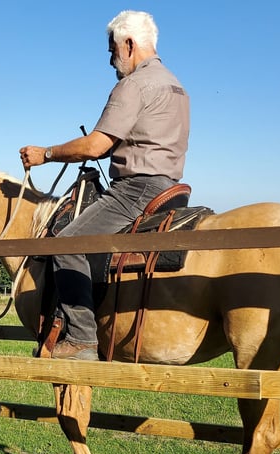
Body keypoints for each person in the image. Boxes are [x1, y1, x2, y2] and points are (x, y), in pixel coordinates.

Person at [19, 10, 189, 361]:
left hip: (136, 190)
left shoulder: (134, 84)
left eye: (112, 50)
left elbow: (96, 145)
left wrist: (46, 154)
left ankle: (82, 338)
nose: (111, 60)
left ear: (129, 44)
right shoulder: (177, 86)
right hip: (171, 186)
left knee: (67, 244)